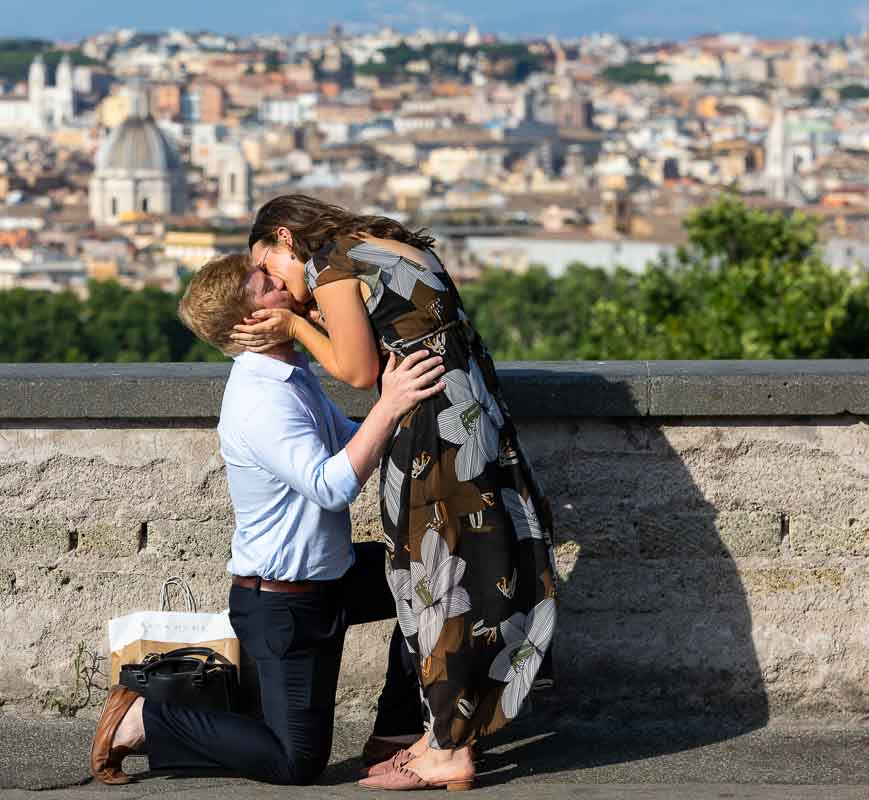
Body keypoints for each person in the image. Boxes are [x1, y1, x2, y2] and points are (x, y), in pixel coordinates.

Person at [232, 195, 559, 791]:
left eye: (267, 267)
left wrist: (295, 325)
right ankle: (436, 734)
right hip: (475, 417)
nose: (275, 284)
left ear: (284, 238)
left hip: (431, 431)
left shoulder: (329, 262)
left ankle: (445, 751)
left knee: (433, 580)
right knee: (471, 576)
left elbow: (357, 372)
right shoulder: (389, 244)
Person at [89, 253, 444, 786]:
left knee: (433, 575)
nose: (285, 282)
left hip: (332, 577)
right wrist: (390, 407)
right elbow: (333, 485)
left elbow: (347, 439)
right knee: (294, 762)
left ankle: (396, 730)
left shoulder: (291, 373)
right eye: (267, 284)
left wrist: (392, 398)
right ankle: (148, 716)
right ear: (248, 323)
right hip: (286, 604)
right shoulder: (262, 401)